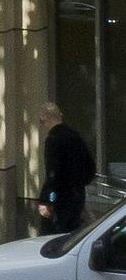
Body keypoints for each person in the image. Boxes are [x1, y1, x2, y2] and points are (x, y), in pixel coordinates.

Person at [40, 100, 96, 239]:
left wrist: (48, 201)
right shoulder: (75, 136)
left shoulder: (53, 139)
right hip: (77, 197)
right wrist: (78, 184)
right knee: (72, 238)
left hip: (60, 201)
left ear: (45, 118)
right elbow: (90, 167)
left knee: (53, 241)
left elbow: (53, 175)